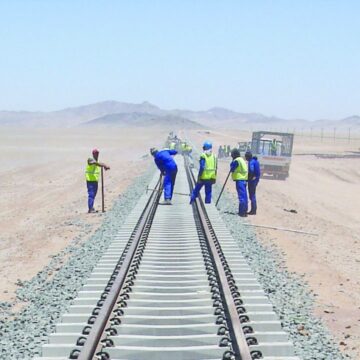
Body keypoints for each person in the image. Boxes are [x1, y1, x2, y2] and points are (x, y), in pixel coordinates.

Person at [85, 149, 110, 213]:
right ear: (93, 154)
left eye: (97, 153)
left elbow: (98, 163)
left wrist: (104, 165)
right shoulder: (90, 159)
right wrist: (103, 165)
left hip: (95, 181)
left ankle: (91, 207)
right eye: (95, 153)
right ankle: (90, 208)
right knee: (91, 194)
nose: (97, 155)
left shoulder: (96, 161)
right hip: (90, 181)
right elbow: (93, 163)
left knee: (94, 194)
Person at [230, 148, 248, 217]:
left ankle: (241, 212)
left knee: (241, 197)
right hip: (244, 180)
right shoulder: (242, 160)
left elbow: (232, 168)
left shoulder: (237, 160)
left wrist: (232, 162)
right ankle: (245, 211)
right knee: (245, 196)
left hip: (239, 180)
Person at [245, 150, 260, 215]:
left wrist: (248, 178)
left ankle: (253, 210)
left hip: (252, 180)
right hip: (256, 179)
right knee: (253, 194)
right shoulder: (256, 161)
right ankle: (253, 209)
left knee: (252, 195)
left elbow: (251, 170)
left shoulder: (251, 162)